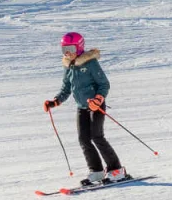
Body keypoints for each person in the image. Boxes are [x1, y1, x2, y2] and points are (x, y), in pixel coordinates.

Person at [44, 32, 129, 186]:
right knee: (83, 139)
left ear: (79, 47)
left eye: (70, 48)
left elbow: (104, 84)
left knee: (97, 136)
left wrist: (98, 99)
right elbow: (66, 88)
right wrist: (55, 101)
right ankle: (96, 171)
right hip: (82, 107)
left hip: (95, 106)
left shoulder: (90, 63)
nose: (67, 53)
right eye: (64, 50)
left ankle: (116, 170)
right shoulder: (69, 65)